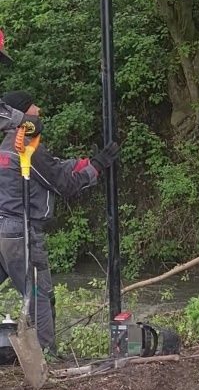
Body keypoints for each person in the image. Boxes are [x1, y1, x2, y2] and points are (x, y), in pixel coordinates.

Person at [0, 91, 119, 355]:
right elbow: (64, 184)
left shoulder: (7, 146)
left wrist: (83, 164)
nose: (39, 109)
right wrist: (97, 167)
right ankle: (46, 357)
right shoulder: (28, 148)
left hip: (4, 231)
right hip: (22, 234)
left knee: (34, 294)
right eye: (33, 105)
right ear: (22, 114)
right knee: (40, 297)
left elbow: (53, 169)